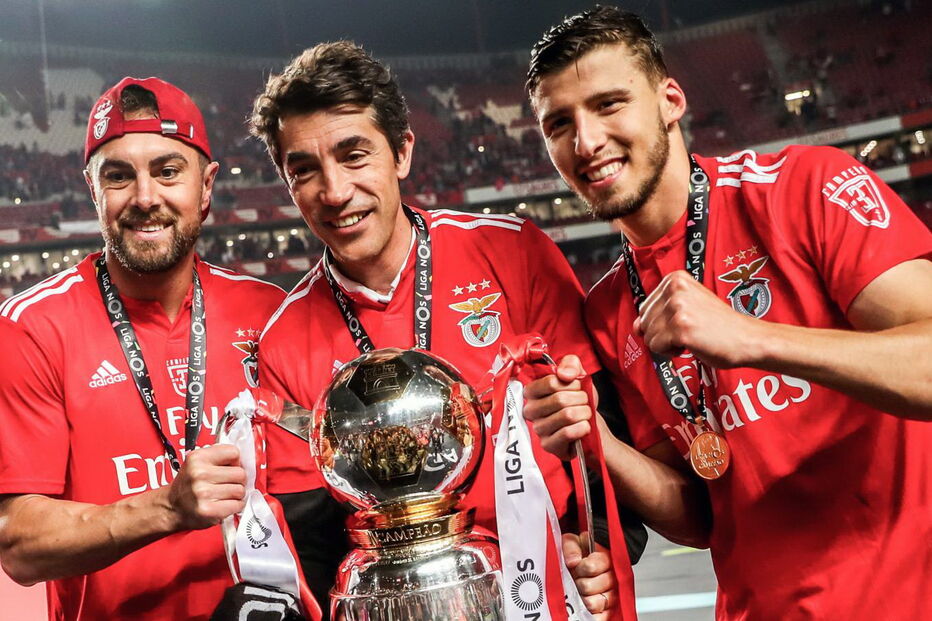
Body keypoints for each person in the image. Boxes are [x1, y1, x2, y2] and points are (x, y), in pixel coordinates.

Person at [521, 6, 932, 620]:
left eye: (609, 104)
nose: (585, 141)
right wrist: (601, 443)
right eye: (560, 124)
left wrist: (754, 338)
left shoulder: (805, 188)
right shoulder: (609, 309)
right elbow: (702, 517)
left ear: (670, 100)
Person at [248, 41, 642, 618]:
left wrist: (604, 545)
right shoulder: (283, 342)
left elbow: (602, 430)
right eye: (303, 170)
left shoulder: (514, 252)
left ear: (402, 152)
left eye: (354, 155)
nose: (333, 192)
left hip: (549, 596)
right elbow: (312, 545)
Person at [0, 77, 286, 620]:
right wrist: (166, 508)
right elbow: (17, 544)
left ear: (206, 186)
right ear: (93, 191)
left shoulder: (270, 312)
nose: (145, 198)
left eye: (167, 170)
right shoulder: (31, 327)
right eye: (119, 175)